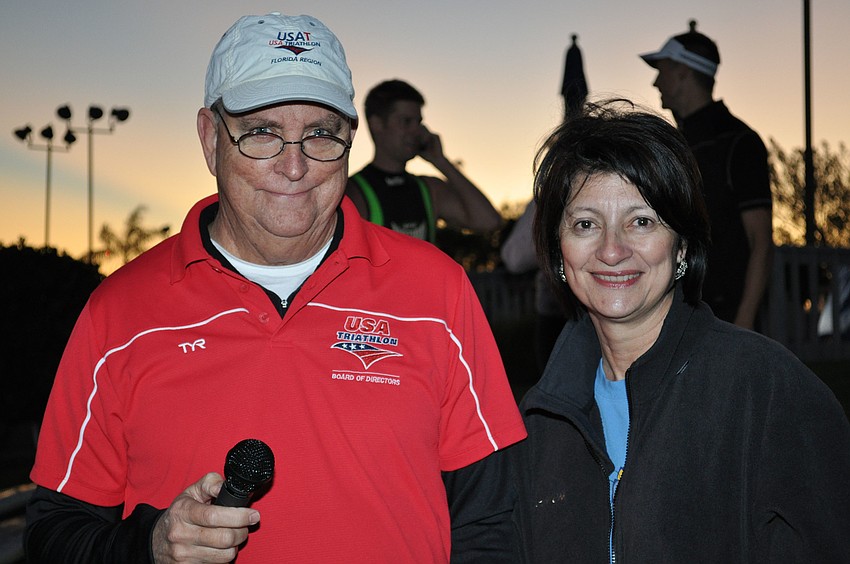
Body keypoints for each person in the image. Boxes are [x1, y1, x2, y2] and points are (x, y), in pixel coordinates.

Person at [25, 13, 526, 563]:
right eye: (261, 132)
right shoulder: (119, 311)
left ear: (350, 140)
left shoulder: (439, 291)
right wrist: (149, 546)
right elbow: (53, 533)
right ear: (210, 139)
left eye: (320, 134)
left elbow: (492, 523)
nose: (294, 166)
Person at [500, 100, 850, 562]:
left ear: (682, 245)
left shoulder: (766, 389)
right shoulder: (540, 420)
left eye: (641, 221)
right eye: (585, 224)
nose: (611, 250)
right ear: (558, 252)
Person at [640, 21, 773, 330]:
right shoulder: (672, 145)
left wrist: (743, 322)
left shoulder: (738, 142)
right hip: (674, 317)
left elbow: (761, 242)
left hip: (723, 319)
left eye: (662, 70)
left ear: (682, 72)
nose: (656, 82)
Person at [346, 79, 502, 243]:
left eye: (418, 122)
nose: (416, 130)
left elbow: (489, 221)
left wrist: (442, 162)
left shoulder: (429, 188)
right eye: (406, 121)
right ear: (376, 124)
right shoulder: (351, 192)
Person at [500, 199, 567, 375]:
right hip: (557, 314)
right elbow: (514, 256)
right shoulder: (549, 195)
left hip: (568, 315)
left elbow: (514, 256)